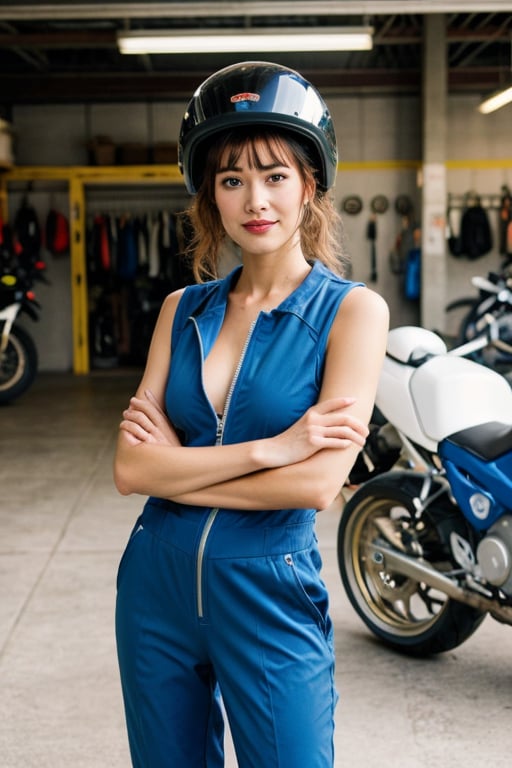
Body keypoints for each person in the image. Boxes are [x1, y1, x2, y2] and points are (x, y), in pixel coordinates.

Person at [114, 61, 389, 768]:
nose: (254, 199)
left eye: (274, 175)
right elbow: (128, 467)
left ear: (310, 185)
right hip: (155, 587)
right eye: (232, 179)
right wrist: (271, 449)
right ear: (210, 194)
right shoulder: (182, 311)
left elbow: (316, 487)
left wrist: (172, 473)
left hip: (268, 588)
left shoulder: (351, 313)